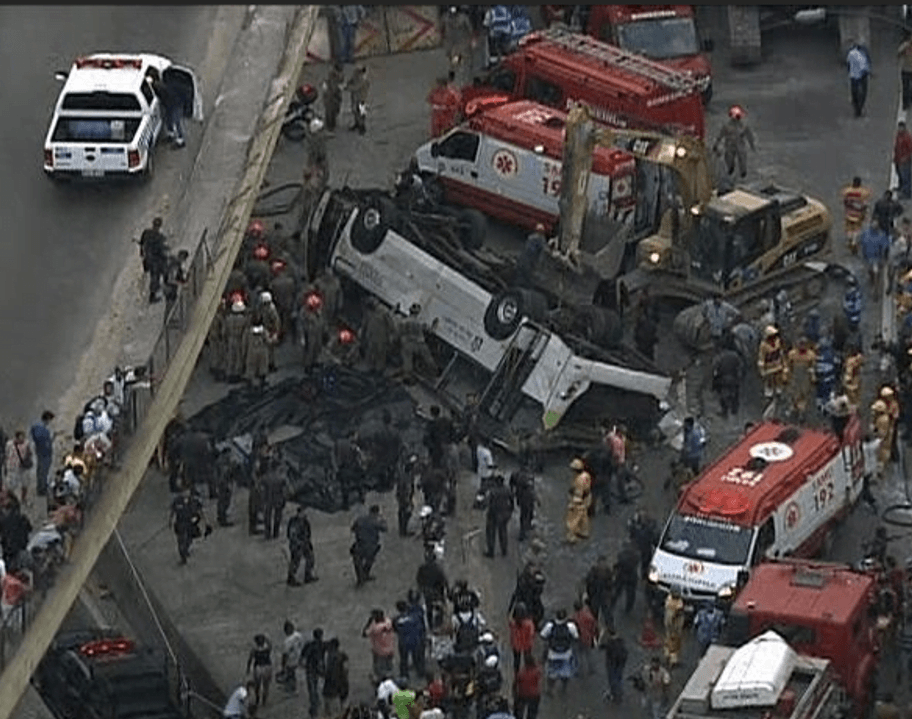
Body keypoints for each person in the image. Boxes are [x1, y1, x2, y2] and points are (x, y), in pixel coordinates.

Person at [539, 609, 578, 696]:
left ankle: (550, 689)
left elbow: (543, 635)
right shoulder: (570, 625)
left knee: (551, 674)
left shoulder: (550, 625)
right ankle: (564, 688)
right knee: (566, 673)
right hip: (566, 653)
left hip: (553, 654)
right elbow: (576, 637)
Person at [169, 486, 209, 565]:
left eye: (187, 491)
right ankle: (183, 556)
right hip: (180, 523)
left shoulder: (194, 501)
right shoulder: (177, 501)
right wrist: (170, 521)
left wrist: (205, 522)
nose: (185, 493)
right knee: (181, 540)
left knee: (189, 539)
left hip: (191, 524)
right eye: (184, 492)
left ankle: (186, 549)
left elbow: (201, 512)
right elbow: (173, 512)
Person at [712, 105, 756, 179]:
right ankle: (730, 168)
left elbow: (749, 136)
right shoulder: (727, 126)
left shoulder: (743, 126)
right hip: (730, 144)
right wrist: (716, 144)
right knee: (729, 159)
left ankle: (743, 172)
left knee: (742, 158)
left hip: (740, 145)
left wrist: (752, 144)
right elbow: (720, 135)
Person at [351, 505, 387, 586]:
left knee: (357, 560)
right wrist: (383, 519)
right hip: (371, 545)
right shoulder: (376, 521)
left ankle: (360, 578)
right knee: (370, 559)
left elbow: (353, 529)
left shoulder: (360, 519)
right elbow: (385, 528)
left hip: (359, 544)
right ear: (377, 513)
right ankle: (365, 574)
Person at [786, 336, 817, 424]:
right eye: (801, 344)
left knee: (804, 394)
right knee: (794, 394)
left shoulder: (811, 355)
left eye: (804, 344)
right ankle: (794, 409)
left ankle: (801, 413)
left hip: (805, 377)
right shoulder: (792, 354)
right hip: (795, 376)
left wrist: (813, 377)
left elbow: (812, 367)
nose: (802, 346)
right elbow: (789, 366)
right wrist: (787, 376)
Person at [394, 599, 427, 679]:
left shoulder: (396, 620)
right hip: (415, 640)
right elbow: (420, 627)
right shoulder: (415, 616)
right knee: (417, 658)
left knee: (403, 659)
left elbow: (395, 629)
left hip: (403, 641)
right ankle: (420, 672)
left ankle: (404, 674)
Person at [712, 339, 744, 418]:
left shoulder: (720, 356)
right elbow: (741, 367)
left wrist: (714, 379)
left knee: (722, 395)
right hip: (734, 378)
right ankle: (734, 410)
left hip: (723, 379)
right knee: (735, 394)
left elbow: (715, 368)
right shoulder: (736, 356)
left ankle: (724, 411)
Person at [140, 217, 169, 303]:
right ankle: (153, 296)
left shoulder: (146, 232)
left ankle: (156, 292)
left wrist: (142, 254)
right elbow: (161, 251)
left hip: (148, 259)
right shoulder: (160, 237)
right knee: (156, 275)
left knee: (156, 275)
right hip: (153, 260)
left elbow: (141, 244)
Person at [484, 475, 514, 558]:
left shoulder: (492, 491)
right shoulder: (507, 490)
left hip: (493, 513)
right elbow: (512, 501)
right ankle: (504, 551)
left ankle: (491, 552)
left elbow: (486, 502)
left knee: (491, 532)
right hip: (504, 514)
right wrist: (510, 510)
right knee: (503, 532)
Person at [286, 505, 317, 586]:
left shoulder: (306, 522)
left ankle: (308, 575)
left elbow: (308, 533)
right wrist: (298, 543)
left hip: (305, 543)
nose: (303, 514)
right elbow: (292, 535)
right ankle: (291, 577)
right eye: (302, 512)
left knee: (310, 557)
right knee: (296, 560)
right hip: (296, 544)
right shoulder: (294, 522)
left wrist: (308, 542)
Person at [363, 608, 396, 681]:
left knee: (380, 670)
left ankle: (382, 682)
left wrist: (369, 622)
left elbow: (364, 633)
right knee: (389, 667)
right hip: (390, 649)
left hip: (379, 652)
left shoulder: (374, 627)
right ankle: (390, 680)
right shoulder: (388, 622)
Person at [842, 176, 873, 253]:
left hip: (849, 213)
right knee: (857, 228)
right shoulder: (864, 192)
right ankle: (854, 241)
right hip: (858, 214)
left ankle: (849, 239)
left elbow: (844, 201)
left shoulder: (847, 191)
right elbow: (865, 204)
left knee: (849, 227)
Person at [565, 458, 592, 544]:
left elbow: (575, 490)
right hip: (585, 499)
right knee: (583, 516)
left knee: (573, 519)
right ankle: (584, 531)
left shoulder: (578, 479)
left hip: (577, 500)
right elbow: (587, 488)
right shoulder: (586, 475)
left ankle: (571, 536)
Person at [427, 72, 463, 138]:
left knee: (447, 133)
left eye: (441, 84)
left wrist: (447, 108)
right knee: (436, 132)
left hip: (447, 117)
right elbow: (430, 99)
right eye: (439, 83)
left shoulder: (452, 92)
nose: (440, 85)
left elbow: (458, 104)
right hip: (437, 117)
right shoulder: (436, 91)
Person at [28, 411, 54, 500]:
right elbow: (43, 441)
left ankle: (42, 486)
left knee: (41, 470)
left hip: (41, 451)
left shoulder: (36, 426)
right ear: (47, 418)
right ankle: (41, 488)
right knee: (43, 470)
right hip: (44, 452)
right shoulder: (42, 428)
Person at [301, 628, 326, 719]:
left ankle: (314, 706)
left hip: (310, 669)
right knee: (316, 687)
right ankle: (316, 704)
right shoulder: (323, 645)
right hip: (318, 669)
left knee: (312, 689)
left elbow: (303, 656)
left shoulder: (309, 645)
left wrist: (302, 664)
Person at [757, 324, 787, 399]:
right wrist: (762, 370)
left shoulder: (778, 341)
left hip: (778, 366)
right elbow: (761, 357)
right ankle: (769, 395)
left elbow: (781, 354)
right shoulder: (763, 345)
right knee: (769, 383)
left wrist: (784, 365)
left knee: (778, 382)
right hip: (769, 368)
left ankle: (779, 393)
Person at [600, 623, 627, 705]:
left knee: (612, 679)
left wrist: (602, 635)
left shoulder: (609, 643)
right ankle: (620, 692)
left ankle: (615, 694)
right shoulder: (621, 641)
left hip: (612, 663)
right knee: (619, 677)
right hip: (621, 662)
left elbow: (600, 646)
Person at [322, 638, 350, 717]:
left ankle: (330, 712)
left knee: (328, 696)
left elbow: (326, 669)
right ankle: (342, 711)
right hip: (341, 679)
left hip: (331, 679)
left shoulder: (328, 656)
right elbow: (346, 668)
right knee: (343, 696)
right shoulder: (342, 654)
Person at [859, 220, 891, 288]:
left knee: (876, 274)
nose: (874, 226)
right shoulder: (866, 234)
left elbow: (885, 247)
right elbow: (862, 244)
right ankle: (872, 282)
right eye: (873, 224)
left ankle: (875, 286)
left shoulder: (881, 235)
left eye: (876, 225)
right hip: (867, 258)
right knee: (870, 272)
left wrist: (883, 258)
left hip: (876, 259)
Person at [509, 465, 536, 542]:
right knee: (526, 514)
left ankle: (525, 528)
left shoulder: (516, 474)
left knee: (525, 514)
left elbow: (511, 484)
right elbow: (532, 489)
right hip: (527, 499)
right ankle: (523, 532)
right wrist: (536, 498)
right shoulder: (529, 476)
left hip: (521, 497)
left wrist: (513, 493)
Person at [246, 633, 273, 708]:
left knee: (264, 685)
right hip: (262, 666)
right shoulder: (259, 649)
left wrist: (248, 668)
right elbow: (250, 659)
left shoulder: (257, 649)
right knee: (260, 685)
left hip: (264, 666)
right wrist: (248, 668)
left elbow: (250, 659)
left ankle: (262, 700)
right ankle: (259, 699)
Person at [571, 599, 597, 676]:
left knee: (579, 655)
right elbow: (594, 624)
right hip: (588, 637)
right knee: (588, 654)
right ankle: (592, 668)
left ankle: (580, 670)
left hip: (578, 638)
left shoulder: (574, 617)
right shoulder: (588, 615)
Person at [613, 541, 639, 615]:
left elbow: (622, 562)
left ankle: (626, 608)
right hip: (627, 576)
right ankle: (625, 608)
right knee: (618, 591)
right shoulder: (634, 555)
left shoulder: (632, 555)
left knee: (624, 592)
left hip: (627, 576)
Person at [846, 41, 871, 117]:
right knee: (863, 93)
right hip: (862, 75)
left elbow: (848, 64)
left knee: (854, 93)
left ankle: (856, 108)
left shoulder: (851, 53)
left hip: (853, 75)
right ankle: (860, 108)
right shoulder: (863, 54)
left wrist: (849, 72)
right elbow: (865, 66)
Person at [512, 653, 541, 719]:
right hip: (534, 695)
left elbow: (515, 683)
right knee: (532, 713)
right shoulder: (536, 671)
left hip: (522, 694)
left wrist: (515, 694)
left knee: (519, 712)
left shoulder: (521, 672)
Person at [278, 620, 304, 692]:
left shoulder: (287, 641)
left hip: (291, 661)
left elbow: (285, 654)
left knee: (291, 676)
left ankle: (292, 689)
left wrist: (283, 666)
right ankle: (296, 688)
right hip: (299, 658)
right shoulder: (299, 635)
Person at [663, 589, 685, 667]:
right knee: (674, 642)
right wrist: (674, 628)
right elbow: (676, 613)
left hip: (670, 625)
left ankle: (667, 656)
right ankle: (672, 660)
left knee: (668, 640)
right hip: (674, 626)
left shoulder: (669, 599)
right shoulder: (676, 603)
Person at [345, 65, 370, 134]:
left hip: (361, 99)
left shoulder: (362, 79)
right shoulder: (357, 76)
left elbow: (355, 87)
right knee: (355, 112)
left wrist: (346, 87)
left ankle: (362, 128)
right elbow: (351, 81)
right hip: (355, 97)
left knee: (361, 113)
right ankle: (357, 124)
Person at [322, 61, 345, 132]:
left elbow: (341, 84)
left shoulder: (341, 76)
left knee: (335, 110)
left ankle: (331, 124)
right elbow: (327, 84)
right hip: (330, 96)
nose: (339, 74)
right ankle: (330, 125)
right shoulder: (330, 75)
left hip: (336, 96)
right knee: (329, 111)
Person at [896, 122, 912, 200]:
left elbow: (910, 150)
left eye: (901, 128)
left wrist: (906, 158)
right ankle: (901, 187)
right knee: (900, 174)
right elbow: (896, 147)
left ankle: (907, 192)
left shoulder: (907, 137)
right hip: (898, 159)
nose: (900, 129)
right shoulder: (898, 135)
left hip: (905, 160)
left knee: (906, 176)